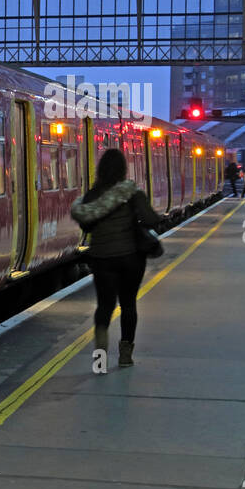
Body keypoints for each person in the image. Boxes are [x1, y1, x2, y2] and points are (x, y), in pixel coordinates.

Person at [70, 148, 162, 368]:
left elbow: (86, 225)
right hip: (131, 258)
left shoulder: (92, 196)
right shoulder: (132, 194)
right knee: (128, 305)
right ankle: (125, 355)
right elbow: (151, 220)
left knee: (104, 306)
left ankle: (100, 357)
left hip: (101, 258)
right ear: (123, 169)